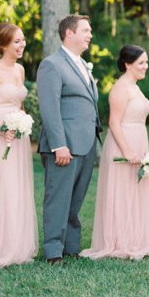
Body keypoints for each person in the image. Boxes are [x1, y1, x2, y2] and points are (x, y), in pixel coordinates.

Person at [82, 46, 149, 260]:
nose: (145, 66)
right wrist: (128, 151)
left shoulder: (135, 87)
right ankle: (119, 241)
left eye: (146, 62)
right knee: (122, 191)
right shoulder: (120, 88)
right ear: (128, 64)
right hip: (123, 144)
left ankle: (136, 238)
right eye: (141, 63)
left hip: (138, 141)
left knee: (135, 191)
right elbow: (114, 123)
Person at [37, 14, 102, 264]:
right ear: (69, 33)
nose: (90, 35)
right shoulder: (52, 64)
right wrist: (58, 144)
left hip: (86, 144)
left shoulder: (83, 64)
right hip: (64, 145)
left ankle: (71, 247)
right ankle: (53, 250)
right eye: (86, 30)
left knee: (75, 200)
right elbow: (50, 108)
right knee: (58, 198)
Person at [0, 23, 37, 266]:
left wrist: (23, 122)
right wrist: (2, 131)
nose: (22, 44)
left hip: (18, 138)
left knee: (17, 187)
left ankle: (17, 245)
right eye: (16, 41)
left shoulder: (20, 71)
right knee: (0, 187)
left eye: (23, 40)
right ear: (3, 44)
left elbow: (20, 104)